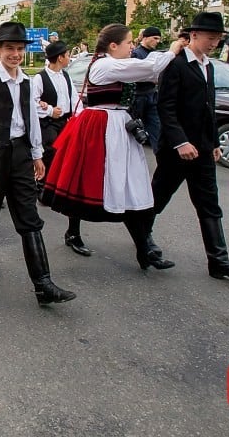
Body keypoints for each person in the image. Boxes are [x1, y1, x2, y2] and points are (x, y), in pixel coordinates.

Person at [41, 24, 181, 271]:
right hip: (101, 127)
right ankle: (77, 234)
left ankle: (144, 249)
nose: (132, 47)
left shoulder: (115, 64)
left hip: (118, 125)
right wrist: (172, 50)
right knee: (89, 180)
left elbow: (149, 74)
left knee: (129, 185)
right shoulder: (104, 65)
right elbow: (150, 67)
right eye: (129, 43)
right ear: (113, 45)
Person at [0, 21, 76, 305]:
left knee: (29, 217)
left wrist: (37, 154)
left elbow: (31, 121)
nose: (15, 54)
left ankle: (43, 284)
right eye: (9, 49)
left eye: (19, 49)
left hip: (20, 154)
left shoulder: (27, 82)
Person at [149, 11, 229, 282]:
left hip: (204, 148)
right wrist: (180, 141)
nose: (214, 43)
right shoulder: (175, 64)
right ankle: (142, 240)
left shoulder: (208, 65)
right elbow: (166, 107)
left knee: (209, 204)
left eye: (218, 39)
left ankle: (219, 261)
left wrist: (214, 142)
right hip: (177, 150)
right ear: (193, 35)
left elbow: (209, 108)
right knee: (157, 198)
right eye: (210, 38)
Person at [32, 40, 88, 254]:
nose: (69, 58)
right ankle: (42, 184)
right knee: (50, 152)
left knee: (66, 157)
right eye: (66, 55)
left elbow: (75, 100)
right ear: (59, 57)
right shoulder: (40, 78)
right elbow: (33, 102)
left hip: (65, 120)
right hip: (48, 122)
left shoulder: (65, 76)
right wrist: (48, 111)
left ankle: (52, 186)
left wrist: (79, 116)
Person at [130, 27, 163, 151]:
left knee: (156, 129)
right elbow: (133, 75)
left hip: (151, 94)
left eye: (159, 39)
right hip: (138, 96)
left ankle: (161, 158)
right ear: (145, 37)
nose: (157, 41)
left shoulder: (154, 54)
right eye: (155, 38)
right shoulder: (137, 54)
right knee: (134, 130)